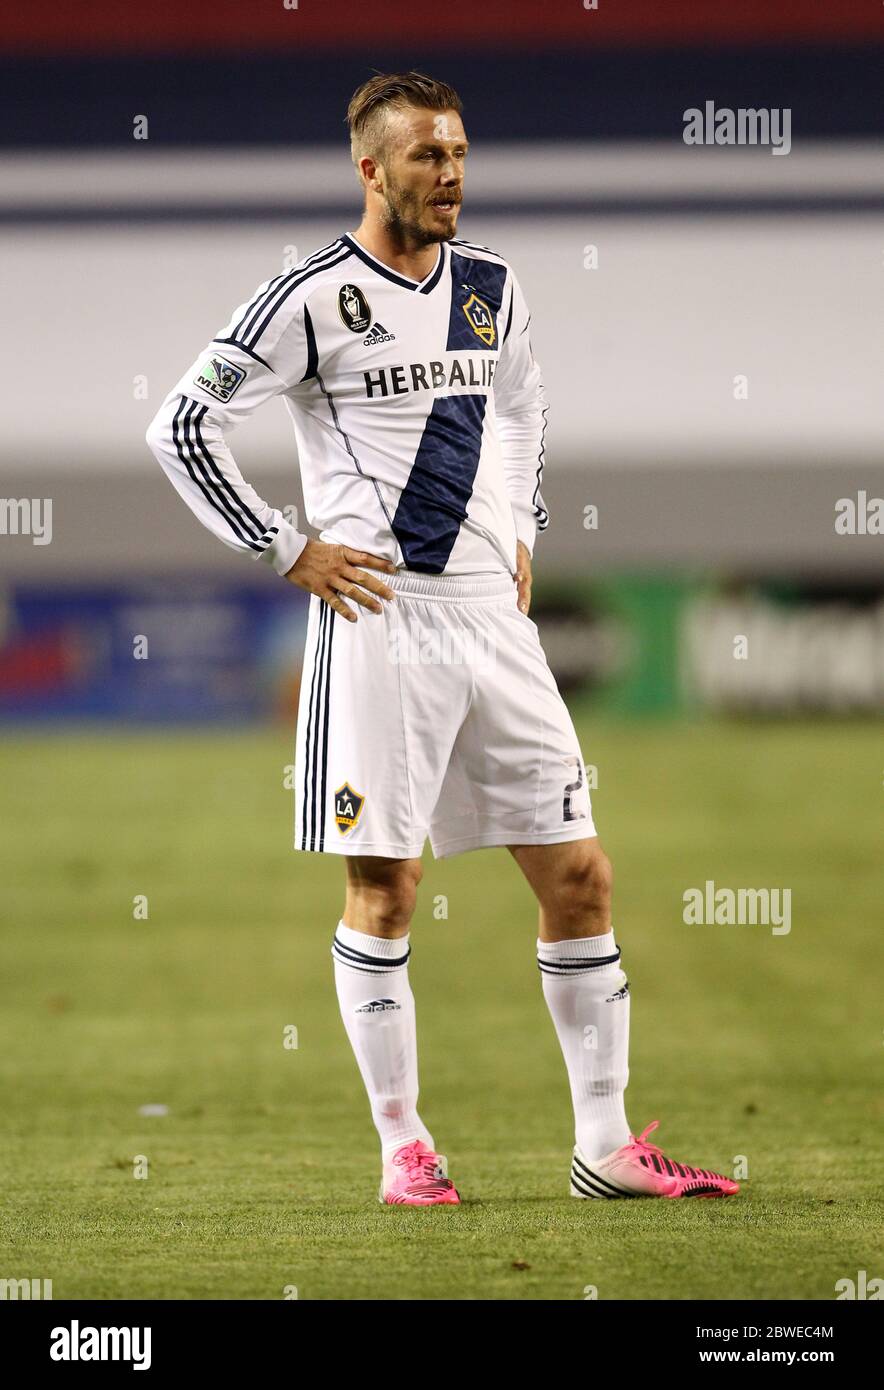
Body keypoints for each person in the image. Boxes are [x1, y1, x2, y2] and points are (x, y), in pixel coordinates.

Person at [146, 70, 739, 1205]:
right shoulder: (311, 295)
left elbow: (521, 405)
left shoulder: (492, 287)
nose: (450, 173)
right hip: (379, 621)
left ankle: (604, 1146)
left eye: (459, 152)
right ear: (370, 169)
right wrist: (284, 546)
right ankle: (402, 1146)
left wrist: (519, 522)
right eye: (426, 155)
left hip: (492, 621)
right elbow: (181, 424)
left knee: (578, 874)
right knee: (388, 886)